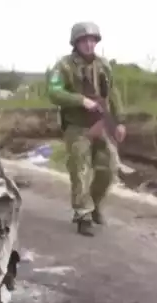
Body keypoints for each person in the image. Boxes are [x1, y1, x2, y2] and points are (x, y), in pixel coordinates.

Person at [47, 21, 125, 236]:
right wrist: (80, 100)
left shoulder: (103, 65)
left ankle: (95, 203)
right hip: (77, 126)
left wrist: (119, 121)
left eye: (92, 40)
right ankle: (83, 214)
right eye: (84, 41)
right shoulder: (64, 66)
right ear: (76, 43)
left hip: (100, 124)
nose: (89, 44)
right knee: (80, 171)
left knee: (109, 168)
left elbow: (113, 92)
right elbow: (54, 92)